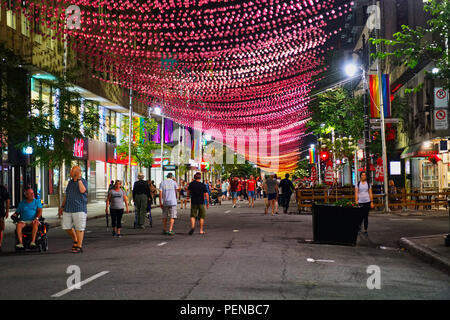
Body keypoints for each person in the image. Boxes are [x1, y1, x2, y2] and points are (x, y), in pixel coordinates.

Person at [58, 166, 88, 253]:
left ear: (77, 172)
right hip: (68, 208)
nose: (70, 172)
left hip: (79, 208)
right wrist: (62, 206)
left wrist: (78, 179)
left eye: (72, 171)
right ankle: (75, 239)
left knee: (79, 227)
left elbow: (82, 191)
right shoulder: (70, 182)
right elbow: (66, 195)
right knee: (66, 226)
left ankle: (79, 245)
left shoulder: (83, 181)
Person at [355, 171, 374, 236]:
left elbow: (370, 193)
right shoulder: (358, 184)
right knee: (360, 216)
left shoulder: (368, 184)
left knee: (366, 217)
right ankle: (359, 227)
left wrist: (371, 202)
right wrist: (356, 201)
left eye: (364, 175)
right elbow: (356, 192)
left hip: (367, 201)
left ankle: (365, 230)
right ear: (360, 176)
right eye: (362, 175)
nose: (363, 176)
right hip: (360, 202)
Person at [0, 184, 10, 252]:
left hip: (0, 212)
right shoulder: (2, 188)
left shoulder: (2, 189)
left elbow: (7, 200)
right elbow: (8, 200)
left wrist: (7, 211)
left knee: (0, 228)